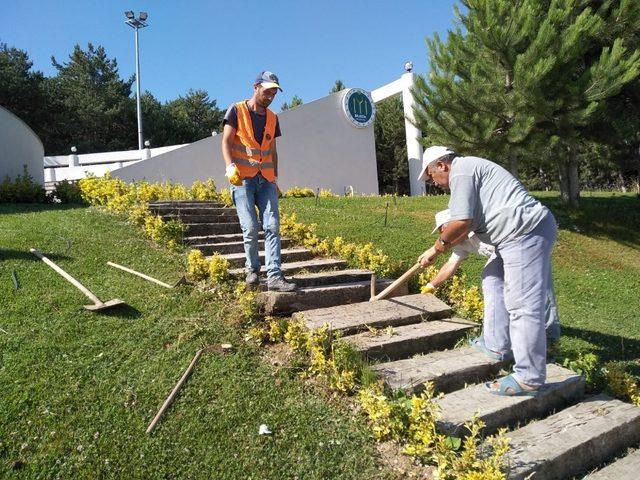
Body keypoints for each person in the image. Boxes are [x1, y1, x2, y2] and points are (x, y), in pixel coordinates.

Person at [417, 146, 557, 396]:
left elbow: (462, 222)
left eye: (430, 176)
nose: (432, 183)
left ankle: (529, 376)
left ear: (442, 165)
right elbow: (462, 227)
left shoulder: (461, 171)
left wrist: (436, 249)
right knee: (492, 277)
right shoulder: (466, 171)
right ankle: (496, 345)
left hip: (524, 232)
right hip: (510, 238)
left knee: (522, 304)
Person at [425, 209, 561, 344]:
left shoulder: (481, 226)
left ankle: (550, 335)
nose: (442, 235)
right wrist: (431, 285)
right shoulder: (460, 243)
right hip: (505, 255)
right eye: (441, 232)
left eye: (444, 229)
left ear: (455, 225)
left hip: (526, 241)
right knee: (495, 282)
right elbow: (451, 265)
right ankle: (504, 336)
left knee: (540, 287)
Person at [221, 71, 296, 292]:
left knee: (272, 225)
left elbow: (272, 150)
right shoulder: (236, 110)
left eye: (274, 92)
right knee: (251, 227)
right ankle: (252, 270)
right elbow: (225, 141)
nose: (271, 96)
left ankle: (274, 276)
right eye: (268, 91)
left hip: (267, 181)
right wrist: (229, 166)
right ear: (256, 87)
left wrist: (275, 179)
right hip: (242, 179)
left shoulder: (273, 118)